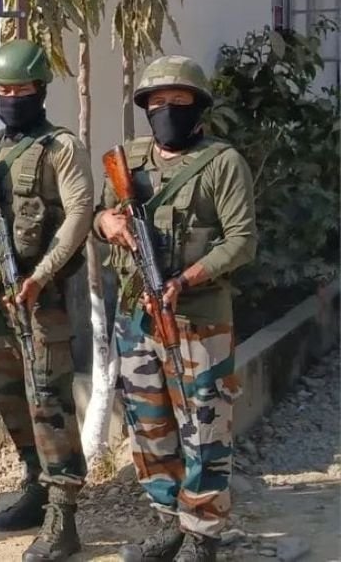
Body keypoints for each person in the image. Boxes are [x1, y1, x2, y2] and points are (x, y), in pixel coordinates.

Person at [96, 55, 256, 562]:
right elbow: (102, 216)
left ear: (198, 106)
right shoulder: (128, 159)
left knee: (204, 428)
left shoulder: (222, 163)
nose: (167, 109)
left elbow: (242, 241)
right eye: (157, 102)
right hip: (138, 319)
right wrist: (107, 223)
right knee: (149, 425)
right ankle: (169, 521)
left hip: (199, 321)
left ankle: (202, 533)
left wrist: (185, 279)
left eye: (178, 101)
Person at [0, 39, 93, 561]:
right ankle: (35, 486)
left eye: (22, 89)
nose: (12, 98)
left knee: (50, 403)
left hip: (43, 298)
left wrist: (41, 274)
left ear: (41, 90)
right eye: (3, 89)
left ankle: (64, 515)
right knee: (12, 399)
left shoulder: (62, 147)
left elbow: (79, 216)